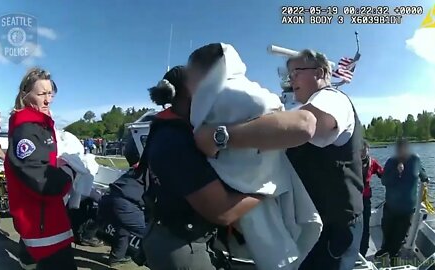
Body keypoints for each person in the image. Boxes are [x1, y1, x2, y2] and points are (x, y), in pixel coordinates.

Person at [194, 49, 364, 270]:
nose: (290, 80)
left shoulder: (333, 99)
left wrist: (221, 136)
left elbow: (304, 125)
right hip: (308, 225)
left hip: (334, 229)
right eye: (289, 75)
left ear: (320, 73)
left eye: (296, 73)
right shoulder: (297, 107)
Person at [141, 65, 263, 270]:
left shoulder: (166, 131)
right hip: (182, 246)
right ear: (189, 94)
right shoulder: (176, 140)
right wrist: (267, 191)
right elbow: (223, 212)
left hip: (166, 235)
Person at [4, 67, 78, 270]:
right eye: (41, 94)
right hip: (43, 224)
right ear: (26, 96)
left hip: (42, 217)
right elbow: (39, 177)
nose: (48, 99)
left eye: (50, 93)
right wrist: (70, 172)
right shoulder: (28, 128)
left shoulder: (39, 124)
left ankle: (26, 260)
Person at [375, 138, 429, 264]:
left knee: (399, 238)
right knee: (387, 236)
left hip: (407, 210)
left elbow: (423, 174)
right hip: (391, 208)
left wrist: (425, 180)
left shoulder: (415, 159)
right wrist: (396, 171)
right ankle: (385, 254)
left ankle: (394, 261)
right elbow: (384, 181)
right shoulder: (390, 162)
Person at [97, 135, 146, 267]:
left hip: (106, 200)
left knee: (123, 229)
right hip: (123, 204)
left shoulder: (134, 170)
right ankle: (147, 260)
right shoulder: (151, 171)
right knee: (149, 233)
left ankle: (116, 258)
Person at [360, 140, 383, 256]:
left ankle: (363, 251)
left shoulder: (372, 163)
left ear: (368, 150)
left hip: (365, 199)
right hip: (353, 200)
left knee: (365, 227)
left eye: (365, 149)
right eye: (361, 149)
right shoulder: (352, 162)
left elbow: (383, 174)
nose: (363, 152)